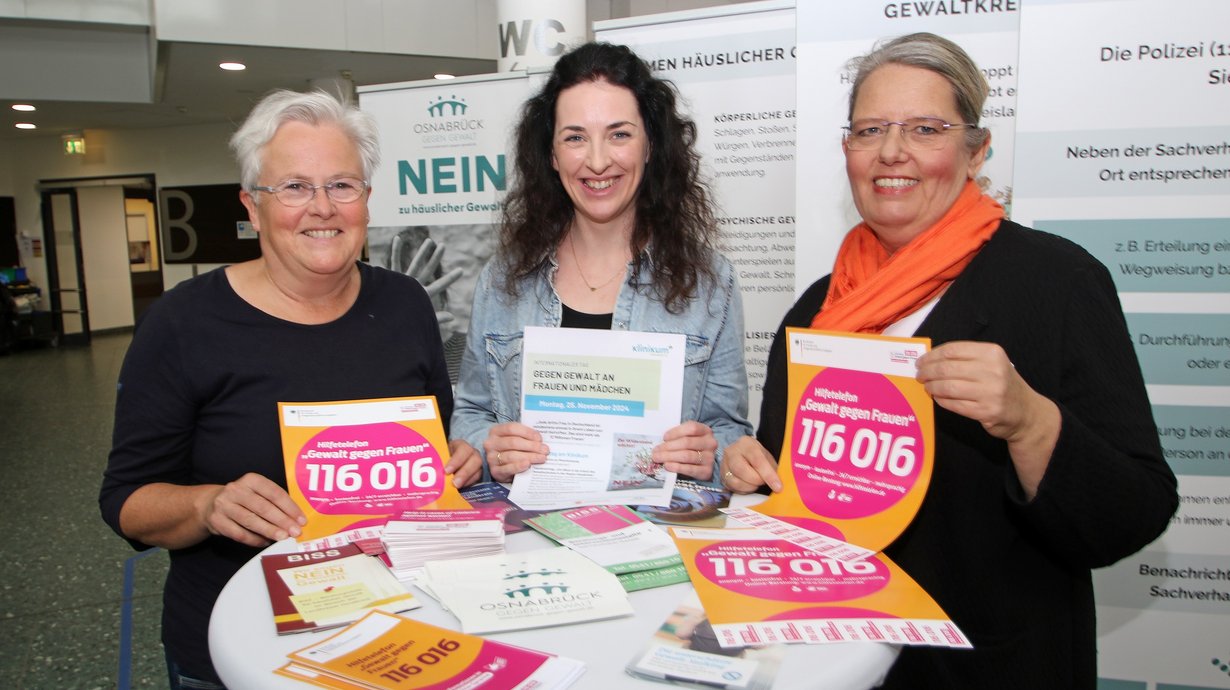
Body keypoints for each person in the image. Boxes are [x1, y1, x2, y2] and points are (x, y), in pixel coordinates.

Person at [720, 33, 1177, 688]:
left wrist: (1031, 423)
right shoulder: (818, 306)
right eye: (870, 129)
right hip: (826, 654)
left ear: (976, 148)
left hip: (983, 667)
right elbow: (788, 482)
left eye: (925, 128)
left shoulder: (1058, 282)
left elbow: (1134, 514)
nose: (891, 152)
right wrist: (752, 474)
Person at [99, 89, 481, 689]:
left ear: (367, 200)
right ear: (252, 206)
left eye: (341, 186)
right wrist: (206, 504)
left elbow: (433, 444)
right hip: (242, 648)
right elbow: (126, 501)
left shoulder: (406, 305)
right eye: (295, 187)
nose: (322, 208)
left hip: (404, 630)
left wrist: (456, 459)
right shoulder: (182, 324)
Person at [451, 42, 752, 484]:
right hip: (531, 540)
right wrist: (486, 447)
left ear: (650, 146)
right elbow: (472, 415)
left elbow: (729, 432)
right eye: (575, 137)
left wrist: (716, 454)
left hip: (659, 539)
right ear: (552, 156)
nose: (596, 161)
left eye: (619, 134)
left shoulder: (709, 283)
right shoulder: (503, 280)